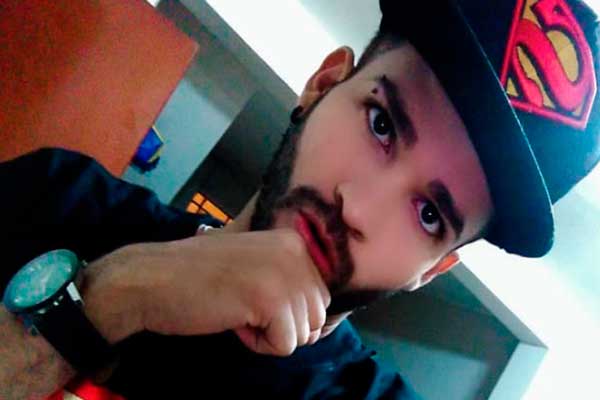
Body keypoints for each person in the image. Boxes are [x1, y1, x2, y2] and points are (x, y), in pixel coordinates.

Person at [2, 0, 600, 398]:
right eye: (382, 124)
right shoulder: (58, 198)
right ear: (322, 84)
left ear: (435, 269)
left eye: (429, 215)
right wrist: (113, 298)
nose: (357, 209)